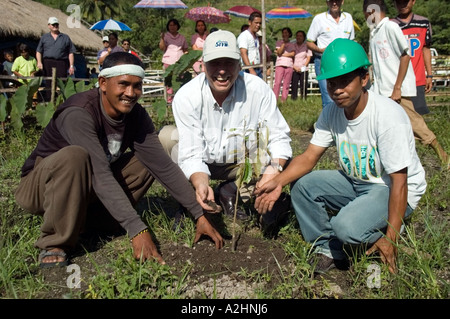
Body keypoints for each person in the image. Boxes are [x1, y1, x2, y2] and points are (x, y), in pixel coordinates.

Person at [14, 52, 223, 268]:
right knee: (75, 156)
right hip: (41, 190)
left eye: (137, 86)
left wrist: (198, 213)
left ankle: (93, 221)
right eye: (123, 84)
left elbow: (163, 166)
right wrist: (136, 228)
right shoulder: (79, 112)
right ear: (103, 83)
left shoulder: (135, 115)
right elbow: (100, 173)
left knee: (150, 158)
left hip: (86, 190)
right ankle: (56, 241)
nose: (131, 93)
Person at [254, 38, 427, 275]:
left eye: (345, 81)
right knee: (303, 186)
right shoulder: (331, 112)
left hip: (390, 188)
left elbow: (400, 181)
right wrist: (277, 181)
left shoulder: (387, 117)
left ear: (364, 78)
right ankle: (327, 248)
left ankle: (385, 235)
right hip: (358, 182)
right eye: (331, 82)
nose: (337, 89)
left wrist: (392, 238)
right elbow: (308, 157)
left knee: (344, 226)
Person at [161, 30, 292, 233]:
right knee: (166, 138)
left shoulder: (257, 90)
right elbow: (191, 153)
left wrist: (273, 172)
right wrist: (201, 183)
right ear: (203, 65)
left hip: (241, 164)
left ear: (240, 65)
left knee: (280, 158)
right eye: (215, 63)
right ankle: (188, 200)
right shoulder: (188, 96)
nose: (222, 71)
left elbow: (278, 136)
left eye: (228, 63)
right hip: (203, 162)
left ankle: (230, 191)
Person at [364, 0, 449, 168]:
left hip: (396, 91)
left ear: (371, 11)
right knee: (383, 126)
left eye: (366, 13)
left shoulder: (391, 27)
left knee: (416, 124)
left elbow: (405, 55)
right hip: (382, 90)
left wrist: (397, 88)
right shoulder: (375, 33)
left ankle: (443, 156)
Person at [306, 0, 355, 108]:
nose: (334, 3)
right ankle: (329, 124)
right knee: (329, 97)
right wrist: (320, 50)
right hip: (324, 61)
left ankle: (344, 123)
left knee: (345, 96)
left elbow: (351, 41)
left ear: (342, 1)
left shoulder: (348, 18)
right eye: (331, 1)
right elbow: (309, 42)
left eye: (337, 0)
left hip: (344, 64)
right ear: (327, 2)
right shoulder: (319, 19)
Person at [392, 0, 433, 116]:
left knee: (418, 116)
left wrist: (429, 75)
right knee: (400, 116)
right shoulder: (391, 25)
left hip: (417, 79)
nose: (402, 5)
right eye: (399, 2)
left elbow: (426, 49)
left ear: (413, 1)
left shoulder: (423, 23)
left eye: (405, 2)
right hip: (398, 81)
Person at [36, 17, 76, 100]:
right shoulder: (44, 37)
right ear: (49, 26)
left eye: (56, 24)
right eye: (53, 24)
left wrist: (71, 66)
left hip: (61, 62)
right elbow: (39, 51)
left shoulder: (65, 37)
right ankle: (50, 101)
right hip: (48, 62)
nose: (55, 26)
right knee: (49, 82)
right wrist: (39, 62)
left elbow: (71, 53)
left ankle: (62, 100)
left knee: (62, 82)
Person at [159, 18, 188, 103]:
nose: (172, 27)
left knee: (180, 80)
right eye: (170, 25)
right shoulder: (166, 36)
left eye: (174, 25)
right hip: (169, 61)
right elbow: (162, 48)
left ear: (177, 26)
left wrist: (186, 59)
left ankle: (180, 99)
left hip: (180, 62)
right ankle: (169, 100)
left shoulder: (182, 37)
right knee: (169, 81)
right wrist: (162, 38)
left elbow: (185, 49)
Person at [272, 27, 295, 103]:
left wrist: (283, 55)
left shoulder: (292, 44)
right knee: (277, 83)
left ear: (289, 34)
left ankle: (283, 100)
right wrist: (283, 44)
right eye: (283, 33)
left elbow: (293, 54)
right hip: (280, 64)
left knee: (286, 84)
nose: (284, 34)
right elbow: (279, 52)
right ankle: (274, 99)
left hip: (289, 65)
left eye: (286, 33)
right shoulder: (279, 43)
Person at [237, 11, 263, 78]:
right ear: (250, 22)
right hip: (247, 70)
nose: (258, 25)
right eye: (256, 23)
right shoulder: (244, 36)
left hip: (257, 68)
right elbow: (243, 53)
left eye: (260, 23)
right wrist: (251, 70)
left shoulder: (256, 36)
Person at [291, 30, 312, 100]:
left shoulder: (307, 46)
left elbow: (308, 57)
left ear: (303, 37)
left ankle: (304, 98)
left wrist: (303, 67)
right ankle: (294, 99)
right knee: (294, 85)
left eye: (300, 36)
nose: (299, 37)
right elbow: (291, 57)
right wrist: (295, 67)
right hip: (294, 67)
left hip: (304, 68)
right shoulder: (292, 46)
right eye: (297, 36)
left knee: (304, 84)